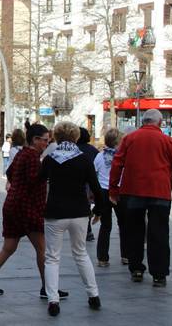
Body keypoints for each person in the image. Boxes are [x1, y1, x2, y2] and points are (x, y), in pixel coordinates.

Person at [0, 123, 69, 301]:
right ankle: (48, 288)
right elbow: (35, 180)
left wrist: (17, 187)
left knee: (9, 247)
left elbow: (10, 172)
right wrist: (48, 170)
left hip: (12, 205)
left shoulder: (21, 154)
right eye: (44, 140)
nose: (47, 143)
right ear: (35, 140)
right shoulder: (32, 157)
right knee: (42, 249)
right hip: (28, 208)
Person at [109, 109, 172, 287]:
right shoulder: (167, 140)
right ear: (160, 123)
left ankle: (136, 268)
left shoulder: (129, 139)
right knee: (159, 233)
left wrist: (113, 189)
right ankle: (159, 274)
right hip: (159, 192)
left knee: (134, 232)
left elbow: (117, 164)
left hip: (132, 191)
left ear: (143, 121)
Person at [40, 122, 103, 317]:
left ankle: (53, 300)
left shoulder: (50, 159)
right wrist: (99, 209)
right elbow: (95, 186)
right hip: (79, 212)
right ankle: (93, 295)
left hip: (55, 212)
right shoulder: (84, 159)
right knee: (81, 253)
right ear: (76, 137)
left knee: (52, 257)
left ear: (56, 137)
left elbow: (38, 180)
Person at [94, 128, 127, 267]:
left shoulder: (99, 156)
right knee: (124, 224)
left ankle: (102, 258)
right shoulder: (123, 156)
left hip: (103, 192)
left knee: (105, 226)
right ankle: (126, 255)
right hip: (119, 191)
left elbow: (94, 173)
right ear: (118, 142)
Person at [77, 128, 99, 242]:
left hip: (79, 182)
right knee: (86, 205)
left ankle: (84, 230)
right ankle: (88, 230)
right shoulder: (93, 150)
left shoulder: (75, 150)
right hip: (91, 182)